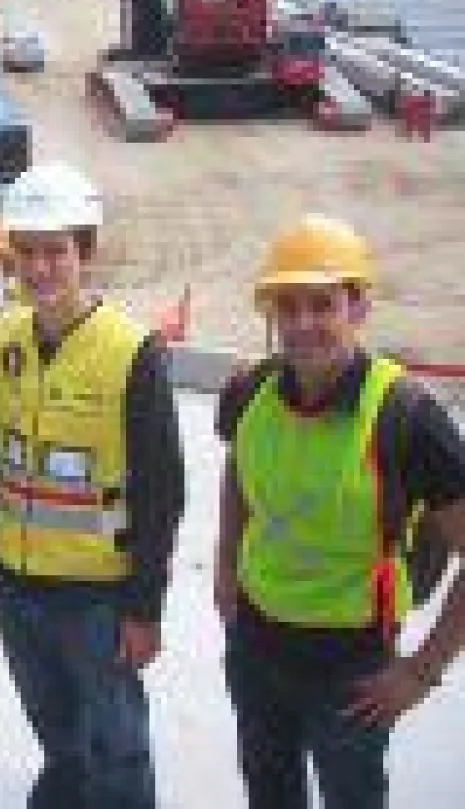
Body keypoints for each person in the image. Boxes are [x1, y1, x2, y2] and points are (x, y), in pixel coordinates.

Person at [214, 214, 465, 809]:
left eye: (322, 304)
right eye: (288, 306)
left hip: (351, 668)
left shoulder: (406, 417)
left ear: (357, 307)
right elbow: (238, 470)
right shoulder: (252, 390)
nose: (303, 323)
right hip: (255, 643)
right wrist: (227, 562)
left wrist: (420, 672)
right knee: (269, 792)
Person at [0, 161, 185, 809]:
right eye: (25, 253)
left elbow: (161, 494)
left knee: (116, 746)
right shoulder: (4, 332)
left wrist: (144, 609)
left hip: (95, 599)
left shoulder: (131, 352)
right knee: (56, 731)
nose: (37, 269)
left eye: (54, 252)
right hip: (15, 585)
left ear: (84, 252)